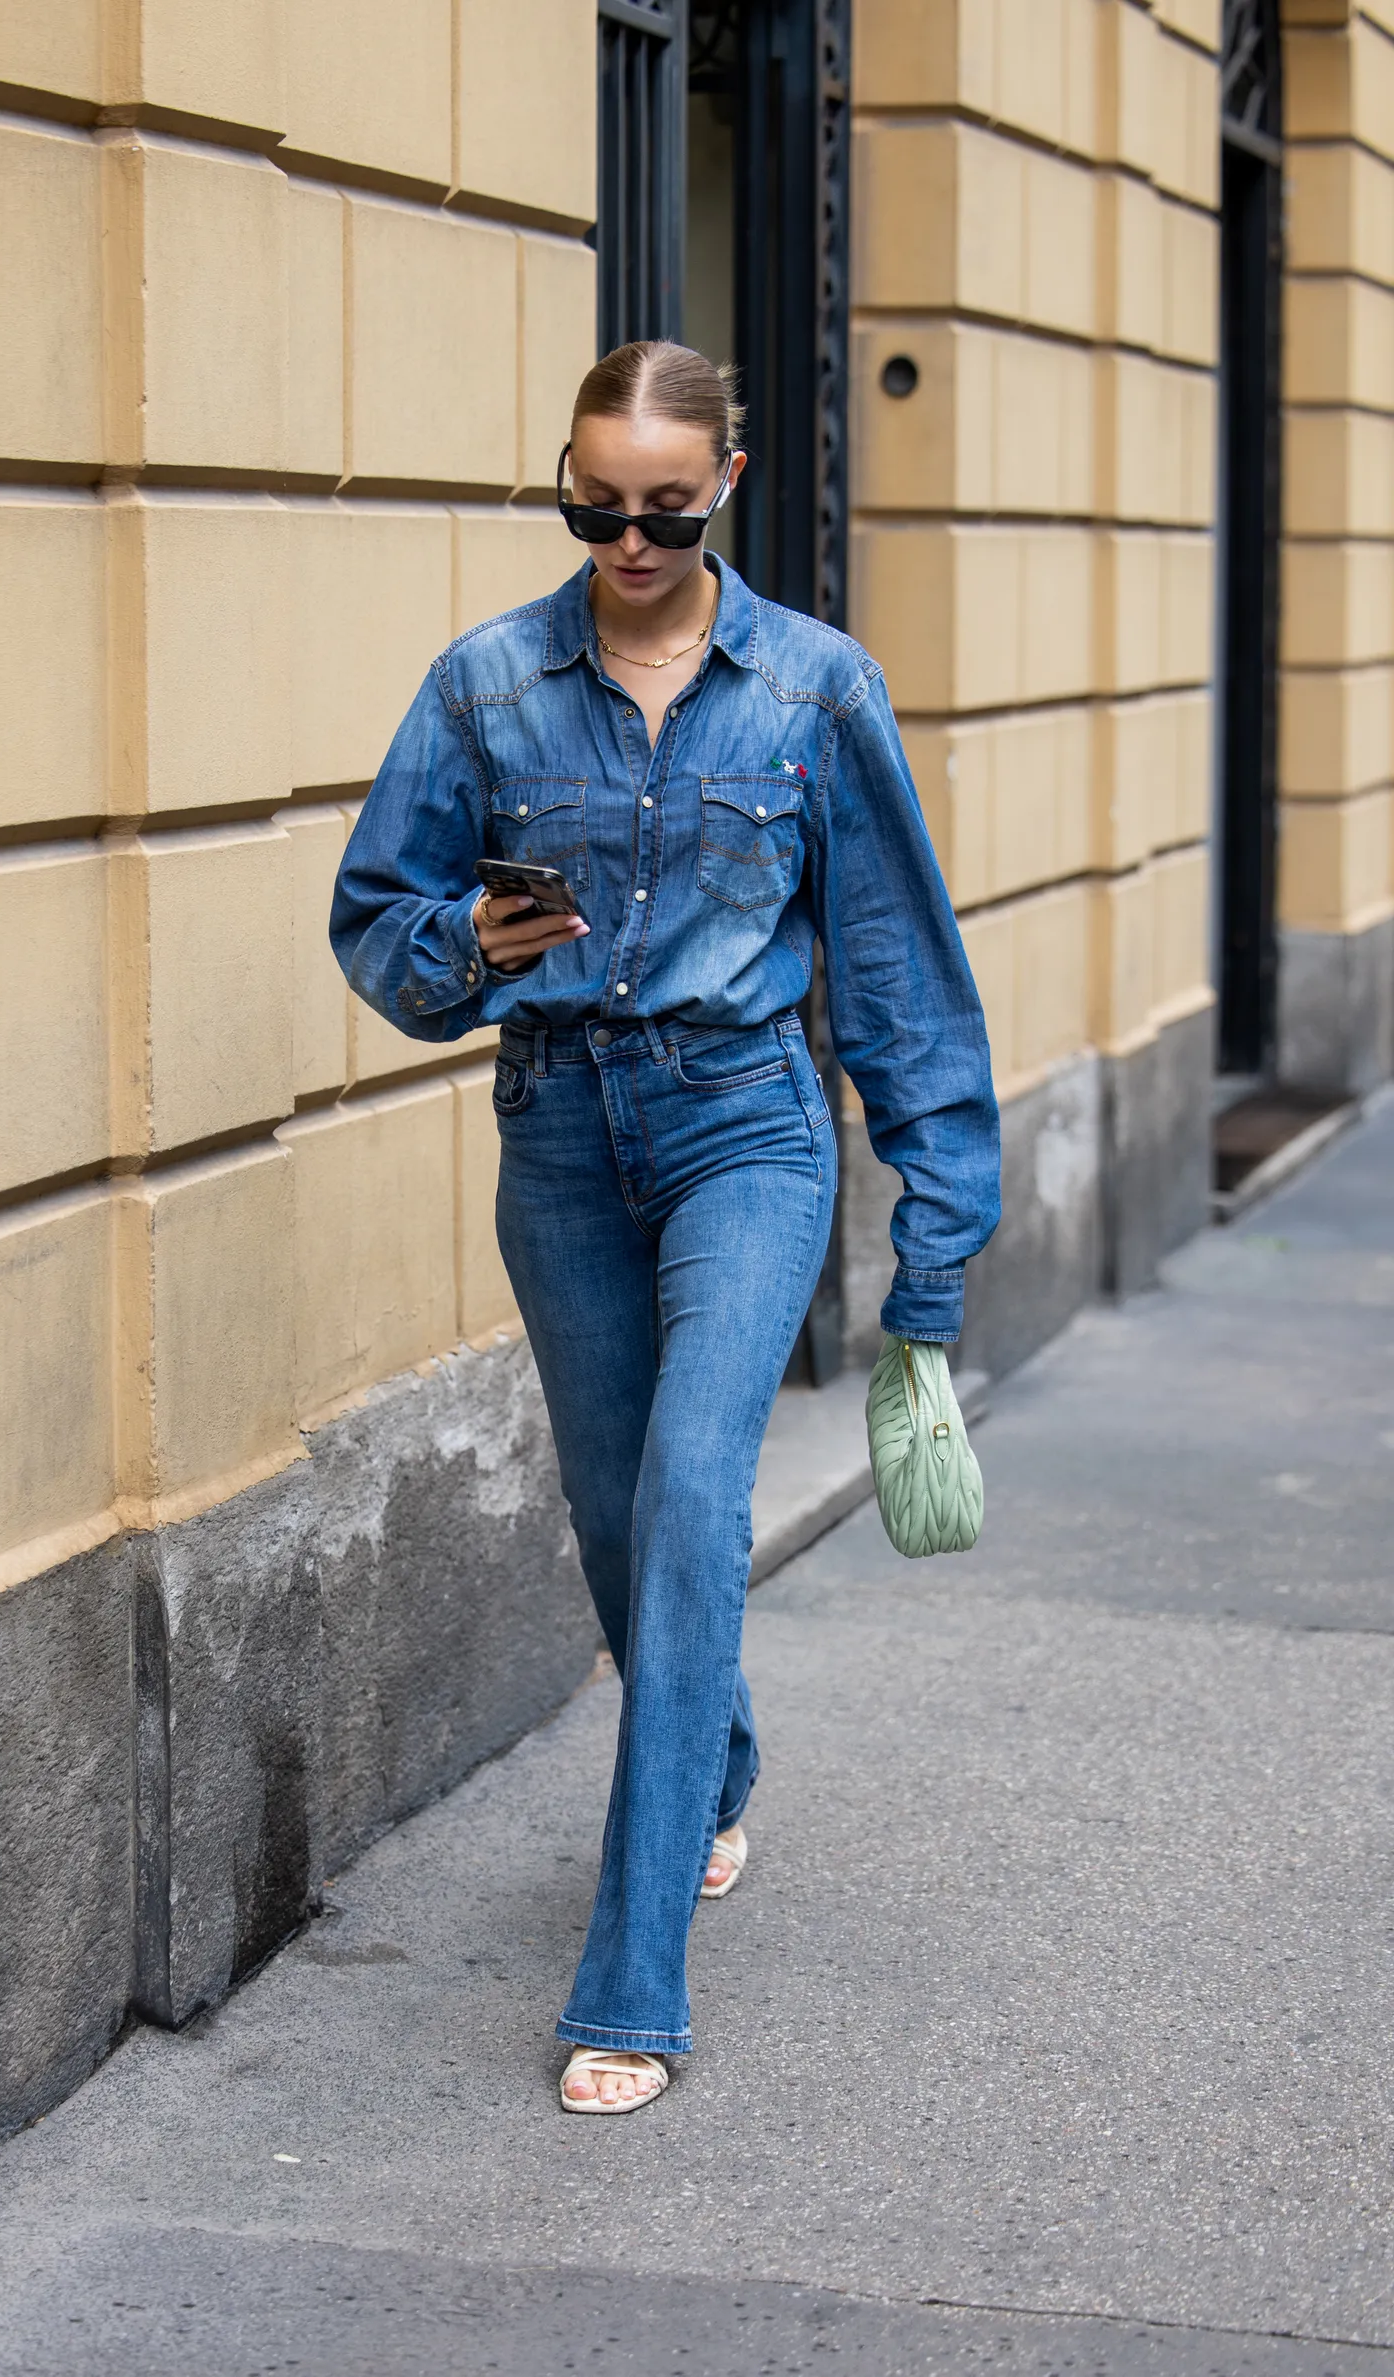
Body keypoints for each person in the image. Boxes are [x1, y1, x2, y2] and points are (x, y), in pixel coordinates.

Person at [331, 340, 1001, 2113]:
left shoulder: (814, 691)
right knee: (620, 1521)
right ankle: (713, 1764)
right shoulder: (486, 686)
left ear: (730, 485)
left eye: (663, 509)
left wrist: (932, 1252)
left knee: (698, 1499)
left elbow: (900, 978)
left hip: (746, 1132)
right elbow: (377, 924)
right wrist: (470, 945)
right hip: (558, 1133)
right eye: (592, 505)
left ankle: (630, 1983)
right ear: (564, 479)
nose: (626, 540)